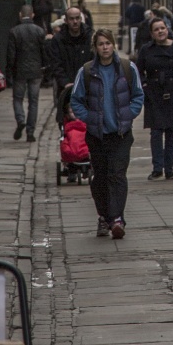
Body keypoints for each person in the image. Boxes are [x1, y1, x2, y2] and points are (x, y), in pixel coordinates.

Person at [70, 29, 144, 239]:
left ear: (113, 45)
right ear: (96, 47)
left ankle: (117, 219)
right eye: (101, 44)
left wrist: (129, 114)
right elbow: (76, 99)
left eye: (108, 43)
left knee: (117, 175)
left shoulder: (127, 68)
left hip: (121, 133)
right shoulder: (86, 71)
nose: (105, 47)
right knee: (100, 177)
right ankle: (104, 216)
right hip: (97, 134)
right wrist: (89, 118)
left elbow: (138, 95)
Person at [136, 15, 173, 179]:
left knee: (172, 132)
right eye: (156, 29)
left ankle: (169, 169)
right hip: (154, 92)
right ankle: (157, 168)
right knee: (156, 132)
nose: (160, 31)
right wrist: (144, 85)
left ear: (167, 29)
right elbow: (138, 70)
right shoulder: (146, 50)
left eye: (162, 28)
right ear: (151, 33)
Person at [47, 4, 94, 129]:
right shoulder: (58, 40)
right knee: (67, 124)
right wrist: (65, 82)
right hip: (66, 89)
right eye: (72, 19)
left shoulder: (90, 37)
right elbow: (55, 63)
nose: (75, 21)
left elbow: (94, 61)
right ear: (66, 21)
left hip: (87, 88)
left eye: (77, 18)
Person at [5, 4, 46, 142]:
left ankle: (21, 119)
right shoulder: (40, 31)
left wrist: (9, 72)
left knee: (18, 99)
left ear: (20, 15)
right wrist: (44, 67)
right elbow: (44, 52)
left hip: (19, 71)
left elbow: (11, 55)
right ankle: (30, 132)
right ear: (32, 15)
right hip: (36, 71)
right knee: (33, 102)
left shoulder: (14, 31)